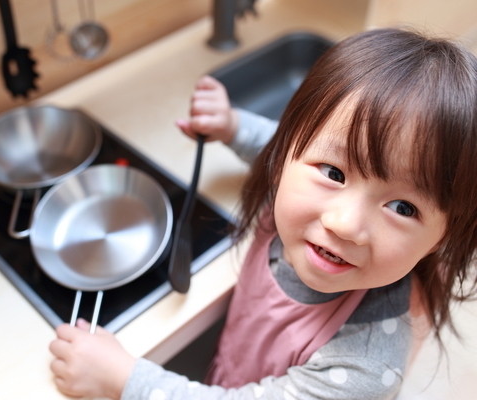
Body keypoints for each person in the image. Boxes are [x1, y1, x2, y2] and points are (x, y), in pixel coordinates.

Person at [48, 28, 477, 399]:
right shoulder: (297, 176)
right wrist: (234, 126)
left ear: (443, 237)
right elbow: (289, 143)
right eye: (335, 173)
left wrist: (122, 378)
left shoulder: (363, 370)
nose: (344, 223)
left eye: (402, 207)